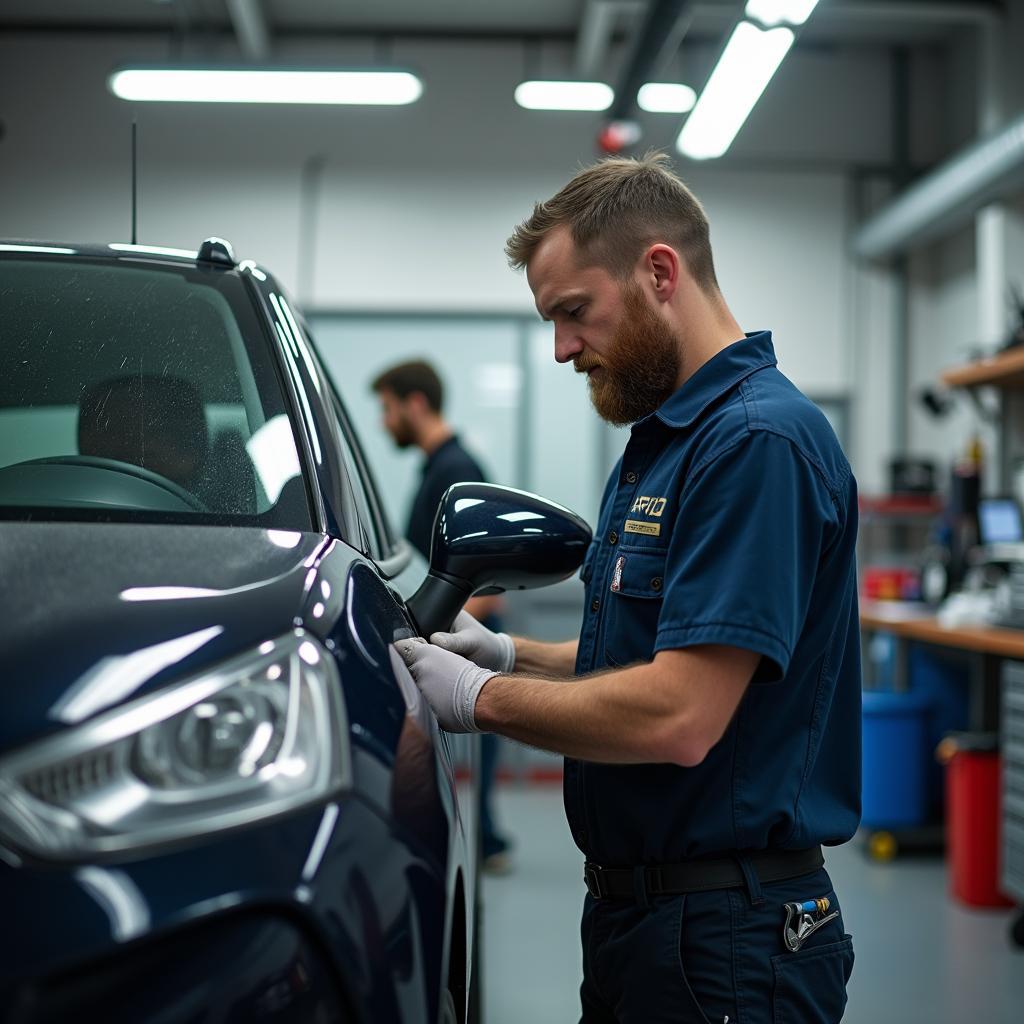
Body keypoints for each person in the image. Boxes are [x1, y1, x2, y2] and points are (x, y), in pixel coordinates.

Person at [396, 154, 860, 1022]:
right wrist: (510, 652)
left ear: (658, 271)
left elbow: (681, 714)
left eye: (575, 313)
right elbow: (648, 656)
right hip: (643, 924)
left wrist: (482, 698)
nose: (563, 347)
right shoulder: (665, 445)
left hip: (725, 941)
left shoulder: (756, 444)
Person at [372, 358, 514, 873]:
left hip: (463, 642)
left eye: (388, 409)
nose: (384, 422)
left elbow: (488, 588)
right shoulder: (436, 470)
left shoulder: (459, 473)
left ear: (416, 403)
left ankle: (488, 842)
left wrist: (434, 632)